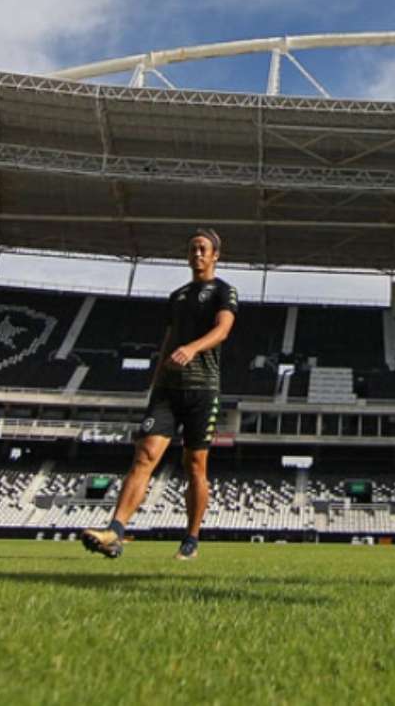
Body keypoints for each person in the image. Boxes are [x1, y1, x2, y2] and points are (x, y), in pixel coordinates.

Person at [82, 229, 238, 560]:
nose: (196, 254)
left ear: (215, 256)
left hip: (202, 389)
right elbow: (167, 342)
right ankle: (116, 531)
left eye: (203, 249)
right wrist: (155, 384)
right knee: (145, 455)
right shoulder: (177, 296)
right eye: (192, 249)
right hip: (167, 390)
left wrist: (192, 349)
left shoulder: (224, 292)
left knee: (195, 464)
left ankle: (192, 539)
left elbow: (223, 330)